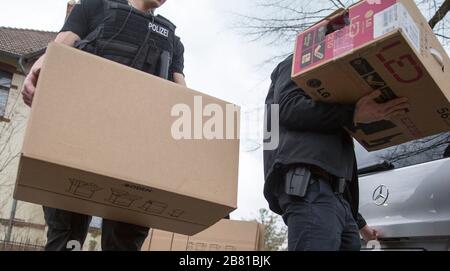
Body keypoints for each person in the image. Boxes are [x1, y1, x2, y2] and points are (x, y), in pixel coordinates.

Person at [21, 0, 186, 251]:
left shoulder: (173, 42)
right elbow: (59, 47)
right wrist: (40, 67)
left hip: (136, 159)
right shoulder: (93, 7)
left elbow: (181, 98)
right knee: (66, 241)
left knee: (124, 243)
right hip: (77, 145)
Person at [264, 55, 409, 251]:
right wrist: (353, 113)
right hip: (309, 188)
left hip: (338, 200)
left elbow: (333, 171)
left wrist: (361, 225)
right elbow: (288, 108)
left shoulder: (336, 100)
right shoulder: (298, 60)